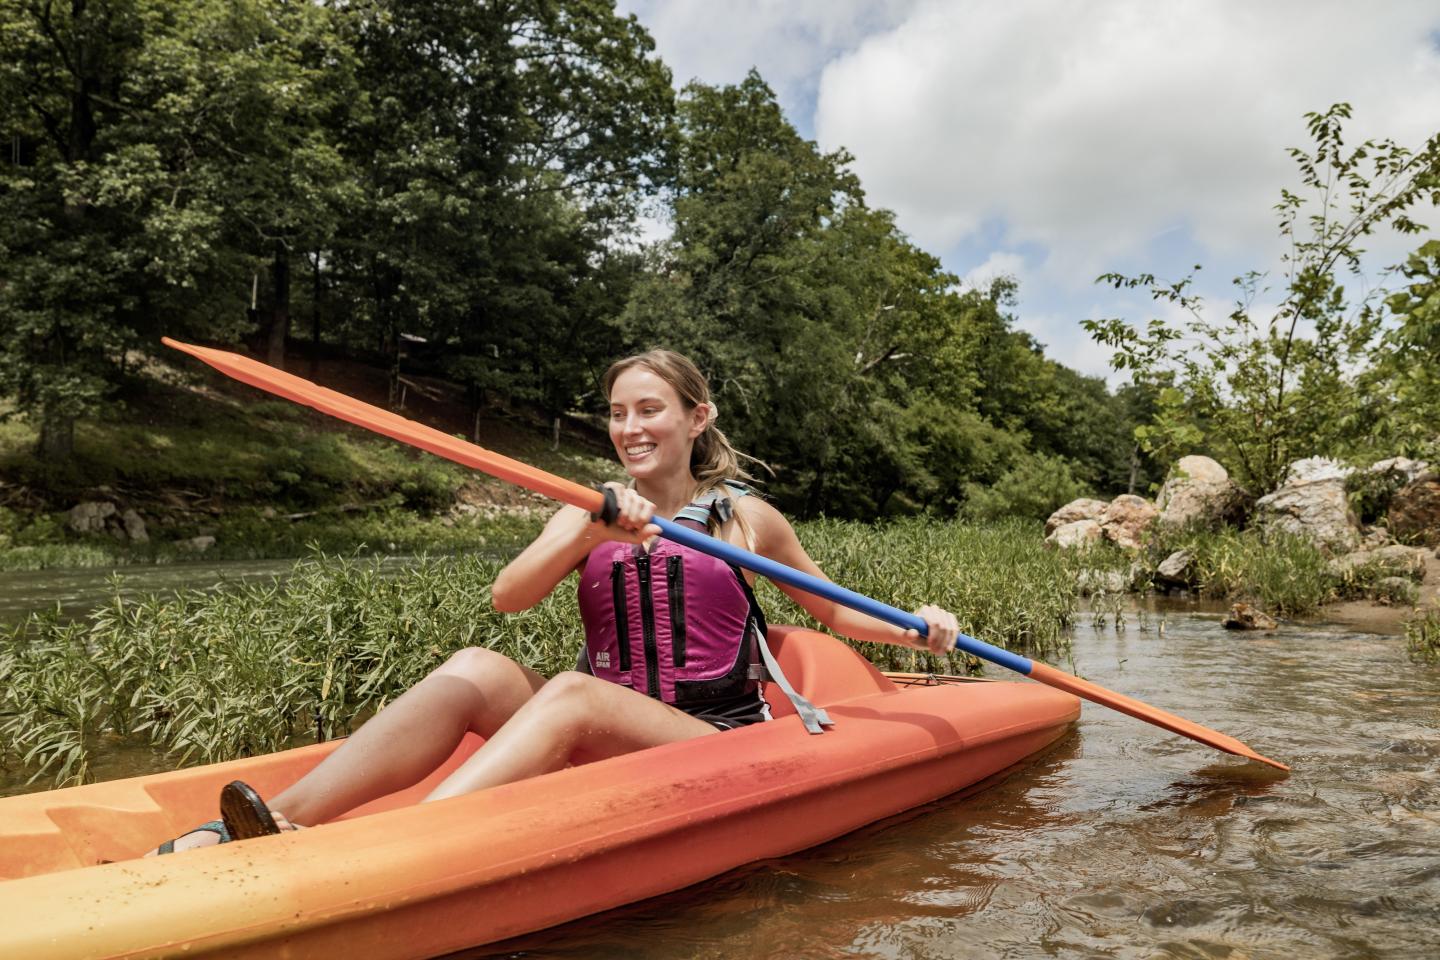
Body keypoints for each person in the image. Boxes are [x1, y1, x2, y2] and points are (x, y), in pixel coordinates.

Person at [148, 349, 960, 853]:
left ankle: (397, 843)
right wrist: (587, 536)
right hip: (608, 719)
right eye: (617, 414)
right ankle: (269, 823)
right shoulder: (582, 508)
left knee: (572, 695)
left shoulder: (744, 517)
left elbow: (832, 610)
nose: (630, 427)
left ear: (695, 417)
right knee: (476, 666)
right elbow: (509, 598)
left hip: (708, 735)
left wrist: (920, 632)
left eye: (650, 410)